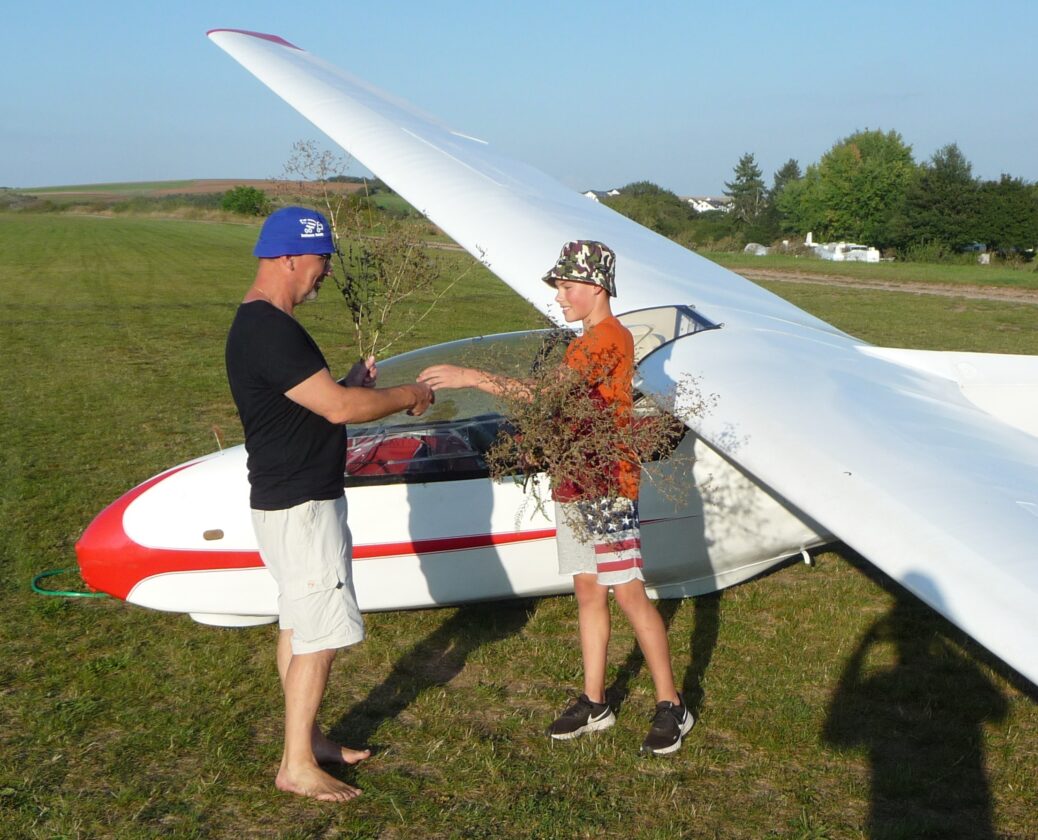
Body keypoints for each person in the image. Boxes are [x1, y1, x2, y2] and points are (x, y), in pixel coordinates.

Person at [418, 240, 693, 755]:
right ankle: (595, 702)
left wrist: (470, 377)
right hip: (573, 479)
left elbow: (544, 396)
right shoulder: (583, 340)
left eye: (567, 287)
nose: (560, 296)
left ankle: (671, 704)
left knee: (628, 593)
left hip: (606, 485)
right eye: (558, 287)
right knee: (588, 590)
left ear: (597, 287)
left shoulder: (607, 338)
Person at [225, 206, 434, 802]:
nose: (326, 273)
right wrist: (408, 394)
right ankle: (296, 766)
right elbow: (340, 411)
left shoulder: (260, 323)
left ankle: (309, 739)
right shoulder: (272, 328)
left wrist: (344, 384)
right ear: (291, 257)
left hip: (284, 499)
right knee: (320, 635)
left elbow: (315, 401)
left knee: (299, 622)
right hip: (303, 505)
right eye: (322, 260)